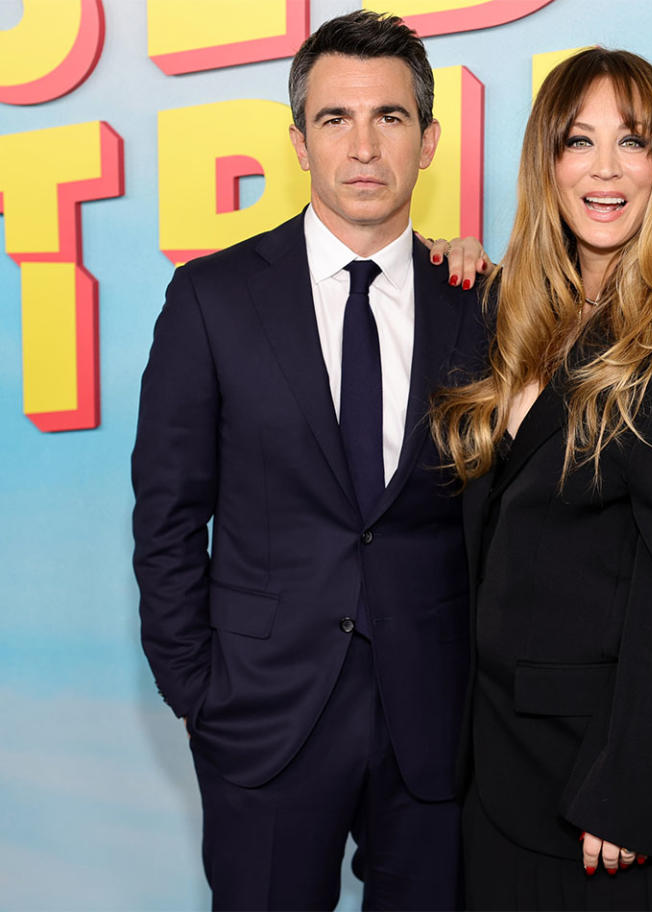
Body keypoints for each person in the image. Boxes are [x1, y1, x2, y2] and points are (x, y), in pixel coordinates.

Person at [132, 11, 487, 911]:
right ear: (299, 140)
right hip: (262, 713)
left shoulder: (480, 304)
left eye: (391, 118)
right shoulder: (212, 298)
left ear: (430, 138)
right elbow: (168, 513)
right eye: (335, 119)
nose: (363, 146)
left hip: (436, 716)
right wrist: (196, 691)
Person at [431, 47, 652, 911]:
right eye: (578, 142)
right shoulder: (513, 318)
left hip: (622, 805)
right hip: (504, 778)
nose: (606, 170)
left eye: (634, 142)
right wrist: (445, 266)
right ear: (546, 163)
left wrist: (629, 793)